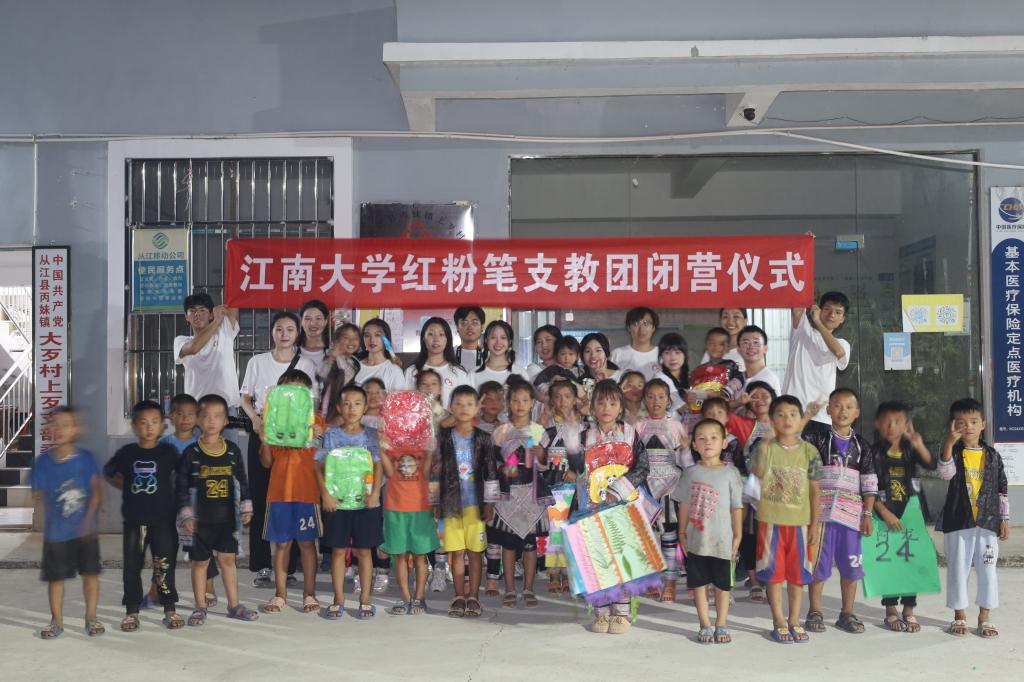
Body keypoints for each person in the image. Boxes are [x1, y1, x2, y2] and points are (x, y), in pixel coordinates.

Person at [239, 311, 317, 588]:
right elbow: (245, 397)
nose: (284, 334)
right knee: (262, 498)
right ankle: (262, 565)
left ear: (298, 333)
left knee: (292, 498)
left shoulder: (306, 364)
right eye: (279, 329)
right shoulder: (257, 361)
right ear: (272, 332)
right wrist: (255, 419)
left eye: (290, 329)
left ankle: (290, 567)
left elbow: (309, 402)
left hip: (294, 439)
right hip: (263, 432)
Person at [176, 394, 258, 625]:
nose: (211, 421)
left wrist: (246, 507)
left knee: (227, 561)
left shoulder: (232, 451)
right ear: (197, 419)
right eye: (206, 416)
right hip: (198, 522)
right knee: (200, 563)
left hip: (227, 520)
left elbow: (242, 481)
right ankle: (200, 607)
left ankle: (234, 605)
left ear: (225, 421)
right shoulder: (191, 453)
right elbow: (181, 486)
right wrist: (186, 515)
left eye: (217, 416)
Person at [802, 388, 876, 635]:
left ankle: (847, 613)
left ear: (857, 413)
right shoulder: (816, 439)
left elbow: (869, 482)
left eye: (848, 407)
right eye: (837, 405)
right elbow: (795, 449)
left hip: (851, 516)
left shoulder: (862, 446)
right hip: (822, 514)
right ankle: (815, 611)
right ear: (828, 410)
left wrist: (867, 514)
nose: (843, 411)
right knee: (819, 566)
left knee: (852, 566)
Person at [104, 400, 182, 631]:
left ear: (162, 426)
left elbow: (181, 474)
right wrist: (127, 485)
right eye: (143, 422)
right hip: (134, 522)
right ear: (134, 426)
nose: (149, 427)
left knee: (164, 565)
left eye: (154, 422)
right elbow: (109, 471)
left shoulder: (168, 452)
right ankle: (131, 611)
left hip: (163, 522)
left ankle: (169, 609)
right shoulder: (127, 453)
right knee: (132, 566)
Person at [751, 395, 822, 643]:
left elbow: (815, 491)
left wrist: (814, 524)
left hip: (800, 524)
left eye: (793, 414)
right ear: (772, 420)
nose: (787, 419)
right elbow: (757, 473)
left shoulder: (810, 451)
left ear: (800, 418)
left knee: (797, 575)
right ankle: (779, 620)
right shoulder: (766, 448)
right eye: (780, 414)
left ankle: (794, 620)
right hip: (771, 523)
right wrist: (766, 442)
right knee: (774, 574)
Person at [937, 398, 1010, 639]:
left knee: (988, 570)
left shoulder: (993, 456)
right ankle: (959, 616)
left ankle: (984, 618)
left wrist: (1004, 518)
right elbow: (945, 473)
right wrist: (949, 442)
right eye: (961, 422)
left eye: (974, 421)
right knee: (958, 570)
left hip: (987, 523)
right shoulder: (953, 452)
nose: (968, 427)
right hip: (959, 522)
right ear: (952, 425)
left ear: (983, 425)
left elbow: (1001, 489)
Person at [581, 380, 649, 635]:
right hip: (592, 507)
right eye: (600, 402)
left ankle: (621, 613)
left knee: (621, 558)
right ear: (592, 407)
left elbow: (643, 467)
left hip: (623, 506)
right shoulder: (584, 436)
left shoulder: (630, 434)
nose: (606, 408)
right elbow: (572, 466)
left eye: (612, 403)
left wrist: (618, 490)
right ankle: (601, 612)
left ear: (621, 407)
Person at [31, 407, 104, 638]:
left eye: (66, 425)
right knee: (55, 578)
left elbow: (96, 491)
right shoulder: (42, 462)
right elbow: (37, 495)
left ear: (76, 429)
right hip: (56, 534)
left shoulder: (86, 459)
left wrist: (89, 521)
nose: (59, 429)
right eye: (54, 424)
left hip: (85, 531)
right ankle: (57, 621)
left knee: (90, 575)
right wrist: (42, 527)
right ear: (47, 430)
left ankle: (91, 618)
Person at [257, 369, 326, 615]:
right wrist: (265, 438)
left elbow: (323, 458)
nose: (293, 396)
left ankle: (309, 594)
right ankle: (280, 594)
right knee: (282, 545)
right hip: (279, 494)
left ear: (307, 395)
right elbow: (266, 462)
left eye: (299, 391)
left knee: (307, 544)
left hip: (308, 494)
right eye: (288, 390)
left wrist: (319, 436)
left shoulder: (316, 421)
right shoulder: (273, 421)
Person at [315, 384, 384, 620]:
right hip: (337, 503)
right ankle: (338, 599)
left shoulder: (372, 435)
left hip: (365, 503)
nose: (351, 408)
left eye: (357, 403)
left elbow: (378, 465)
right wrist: (326, 494)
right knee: (338, 551)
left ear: (365, 407)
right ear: (338, 407)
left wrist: (375, 493)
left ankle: (365, 599)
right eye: (346, 403)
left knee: (364, 551)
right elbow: (317, 466)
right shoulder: (329, 435)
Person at [673, 418, 743, 644]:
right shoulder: (690, 473)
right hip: (696, 541)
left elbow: (736, 507)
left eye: (714, 438)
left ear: (724, 443)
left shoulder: (731, 473)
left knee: (723, 586)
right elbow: (684, 504)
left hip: (723, 540)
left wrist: (738, 536)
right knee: (699, 584)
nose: (708, 442)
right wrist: (682, 534)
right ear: (694, 445)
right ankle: (704, 624)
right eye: (701, 439)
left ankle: (721, 624)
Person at [433, 385, 500, 618]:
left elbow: (491, 472)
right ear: (451, 407)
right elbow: (435, 470)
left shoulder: (484, 438)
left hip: (475, 506)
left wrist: (490, 503)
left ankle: (473, 597)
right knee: (456, 552)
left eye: (469, 404)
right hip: (450, 505)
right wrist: (434, 502)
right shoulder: (443, 438)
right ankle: (459, 596)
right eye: (458, 404)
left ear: (477, 409)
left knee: (475, 552)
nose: (464, 408)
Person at [871, 400, 936, 633]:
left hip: (911, 512)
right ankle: (890, 610)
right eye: (886, 421)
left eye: (897, 421)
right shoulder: (873, 452)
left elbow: (931, 464)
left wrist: (919, 444)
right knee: (889, 562)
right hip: (884, 515)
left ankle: (909, 610)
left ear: (906, 424)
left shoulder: (910, 449)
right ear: (877, 423)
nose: (892, 426)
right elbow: (866, 486)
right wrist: (883, 512)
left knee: (911, 560)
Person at [488, 380, 549, 609]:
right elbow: (493, 463)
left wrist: (541, 454)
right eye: (515, 400)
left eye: (525, 400)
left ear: (532, 402)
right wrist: (502, 469)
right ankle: (510, 589)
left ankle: (529, 589)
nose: (520, 404)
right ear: (508, 403)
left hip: (531, 495)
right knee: (509, 545)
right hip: (508, 496)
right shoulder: (501, 431)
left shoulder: (538, 431)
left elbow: (544, 465)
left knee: (530, 544)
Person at [380, 388, 440, 616]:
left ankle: (419, 597)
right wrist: (382, 447)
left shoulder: (422, 447)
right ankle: (405, 597)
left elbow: (425, 474)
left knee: (420, 555)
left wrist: (430, 452)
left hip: (420, 508)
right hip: (395, 508)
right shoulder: (392, 446)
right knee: (400, 555)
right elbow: (388, 473)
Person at [161, 393, 219, 607]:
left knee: (200, 547)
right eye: (180, 414)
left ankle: (209, 586)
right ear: (171, 416)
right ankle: (161, 589)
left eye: (190, 414)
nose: (185, 418)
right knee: (165, 549)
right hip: (170, 504)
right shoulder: (164, 444)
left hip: (197, 505)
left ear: (197, 417)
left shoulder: (202, 443)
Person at [636, 378, 690, 602]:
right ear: (644, 400)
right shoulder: (638, 425)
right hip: (645, 488)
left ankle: (670, 580)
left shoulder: (676, 425)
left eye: (661, 396)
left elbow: (685, 460)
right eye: (650, 396)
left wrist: (685, 449)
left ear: (668, 400)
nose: (656, 401)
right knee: (646, 534)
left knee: (669, 534)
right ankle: (650, 578)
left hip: (670, 487)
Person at [539, 379, 585, 594]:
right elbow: (536, 455)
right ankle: (555, 572)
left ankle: (571, 572)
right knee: (555, 529)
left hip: (577, 486)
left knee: (575, 528)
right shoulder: (547, 430)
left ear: (575, 399)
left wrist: (576, 471)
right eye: (557, 397)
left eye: (567, 396)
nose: (562, 401)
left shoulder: (584, 428)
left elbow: (588, 455)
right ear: (551, 401)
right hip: (554, 484)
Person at [782, 292, 851, 433]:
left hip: (821, 417)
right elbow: (797, 305)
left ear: (842, 319)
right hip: (791, 413)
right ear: (819, 310)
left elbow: (838, 352)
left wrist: (818, 322)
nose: (831, 314)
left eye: (837, 312)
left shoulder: (842, 344)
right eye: (827, 309)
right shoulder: (803, 330)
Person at [738, 381, 776, 603]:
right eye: (754, 396)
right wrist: (737, 403)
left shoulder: (782, 423)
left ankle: (771, 580)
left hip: (777, 491)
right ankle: (754, 582)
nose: (760, 399)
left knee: (772, 537)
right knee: (750, 536)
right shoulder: (744, 425)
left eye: (765, 395)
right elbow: (719, 416)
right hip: (749, 490)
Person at [173, 292, 240, 409]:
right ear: (186, 316)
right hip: (197, 408)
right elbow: (194, 348)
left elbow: (235, 298)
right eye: (192, 311)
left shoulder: (224, 330)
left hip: (226, 407)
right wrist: (216, 321)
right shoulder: (181, 341)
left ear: (210, 314)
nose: (197, 314)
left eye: (202, 310)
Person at [684, 328, 743, 432]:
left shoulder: (731, 365)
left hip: (721, 411)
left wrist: (721, 393)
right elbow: (690, 388)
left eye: (721, 344)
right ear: (706, 345)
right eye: (712, 343)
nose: (716, 347)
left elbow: (739, 380)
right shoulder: (697, 370)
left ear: (728, 348)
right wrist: (688, 397)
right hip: (700, 411)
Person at [404, 317, 472, 407]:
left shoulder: (459, 373)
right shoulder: (411, 372)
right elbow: (405, 406)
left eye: (441, 334)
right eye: (431, 334)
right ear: (423, 338)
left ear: (447, 339)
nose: (436, 339)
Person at [320, 322, 362, 418]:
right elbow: (321, 375)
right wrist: (333, 356)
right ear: (337, 341)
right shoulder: (331, 359)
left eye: (355, 338)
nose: (351, 341)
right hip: (330, 411)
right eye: (346, 338)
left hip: (348, 410)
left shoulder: (354, 361)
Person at [354, 317, 407, 391]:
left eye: (377, 335)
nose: (372, 340)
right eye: (367, 335)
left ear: (386, 339)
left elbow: (399, 397)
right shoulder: (354, 366)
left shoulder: (394, 371)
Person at [611, 307, 662, 380]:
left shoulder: (662, 354)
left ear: (653, 327)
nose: (641, 329)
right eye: (636, 324)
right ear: (628, 328)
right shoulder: (617, 354)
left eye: (646, 323)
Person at [474, 320, 528, 387]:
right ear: (486, 340)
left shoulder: (521, 373)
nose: (498, 342)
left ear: (509, 342)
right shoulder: (474, 374)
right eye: (493, 337)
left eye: (503, 338)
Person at [297, 299, 331, 398]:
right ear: (301, 321)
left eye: (318, 318)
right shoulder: (292, 351)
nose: (312, 323)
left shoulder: (334, 351)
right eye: (307, 319)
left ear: (325, 321)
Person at [737, 325, 781, 395]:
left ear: (765, 349)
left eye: (756, 342)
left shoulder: (770, 379)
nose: (751, 347)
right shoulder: (737, 379)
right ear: (738, 350)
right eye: (746, 343)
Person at [652, 332, 689, 416]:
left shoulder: (690, 378)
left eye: (677, 352)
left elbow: (698, 403)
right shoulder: (660, 379)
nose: (673, 358)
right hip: (668, 423)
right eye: (667, 353)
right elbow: (683, 408)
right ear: (661, 357)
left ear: (685, 355)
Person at [454, 306, 487, 371]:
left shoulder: (489, 357)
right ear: (457, 327)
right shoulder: (449, 354)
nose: (470, 327)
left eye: (474, 322)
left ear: (482, 326)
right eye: (464, 323)